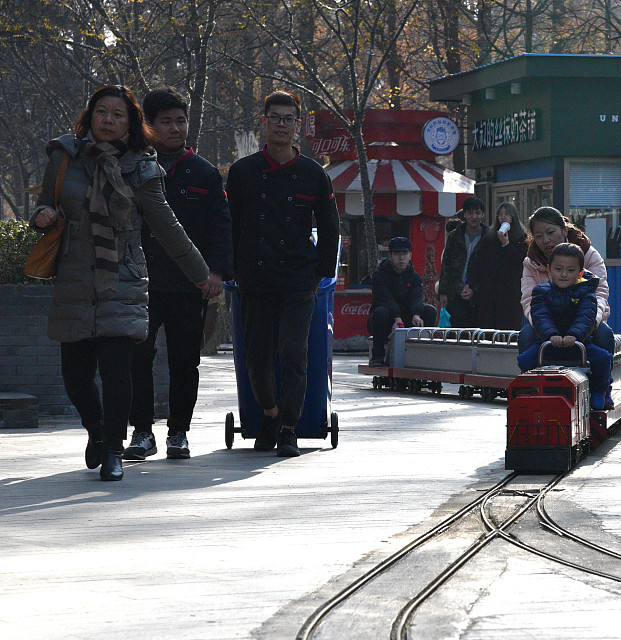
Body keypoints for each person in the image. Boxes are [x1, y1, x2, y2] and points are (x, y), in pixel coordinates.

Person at [29, 84, 211, 481]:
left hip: (122, 278)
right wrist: (42, 214)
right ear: (90, 116)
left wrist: (202, 275)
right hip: (74, 277)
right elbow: (45, 202)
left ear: (131, 122)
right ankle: (96, 430)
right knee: (76, 378)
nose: (108, 120)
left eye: (117, 114)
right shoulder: (66, 156)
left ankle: (114, 449)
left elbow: (167, 227)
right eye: (101, 112)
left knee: (117, 370)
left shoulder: (143, 167)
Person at [226, 90, 341, 458]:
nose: (281, 124)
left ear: (298, 125)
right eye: (274, 117)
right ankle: (270, 415)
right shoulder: (243, 173)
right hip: (255, 279)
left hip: (298, 280)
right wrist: (229, 270)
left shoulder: (312, 174)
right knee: (257, 358)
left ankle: (289, 428)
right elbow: (229, 225)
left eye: (288, 119)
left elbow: (330, 226)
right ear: (264, 122)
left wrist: (322, 273)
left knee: (294, 352)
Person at [123, 87, 233, 462]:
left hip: (190, 284)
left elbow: (221, 226)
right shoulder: (131, 166)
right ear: (148, 126)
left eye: (180, 121)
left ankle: (179, 433)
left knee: (185, 361)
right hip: (141, 282)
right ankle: (141, 432)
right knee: (139, 358)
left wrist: (216, 272)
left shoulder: (203, 173)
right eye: (166, 122)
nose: (175, 128)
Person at [516, 243, 612, 411]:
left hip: (579, 343)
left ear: (580, 273)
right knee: (524, 359)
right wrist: (550, 334)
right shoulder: (541, 292)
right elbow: (540, 315)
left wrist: (575, 335)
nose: (564, 275)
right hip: (548, 343)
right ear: (549, 270)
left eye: (570, 270)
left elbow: (586, 316)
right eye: (558, 269)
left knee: (603, 358)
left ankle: (599, 390)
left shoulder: (586, 292)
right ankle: (532, 388)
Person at [519, 206, 615, 356]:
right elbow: (528, 300)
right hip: (546, 323)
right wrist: (545, 328)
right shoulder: (531, 263)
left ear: (564, 230)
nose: (546, 240)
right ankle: (531, 378)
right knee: (526, 336)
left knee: (604, 335)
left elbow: (600, 295)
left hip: (587, 320)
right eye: (538, 236)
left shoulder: (589, 255)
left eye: (551, 232)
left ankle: (601, 378)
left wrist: (588, 325)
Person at [368, 236, 438, 365]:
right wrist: (397, 319)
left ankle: (424, 352)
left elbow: (417, 297)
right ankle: (377, 356)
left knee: (430, 311)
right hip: (387, 318)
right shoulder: (380, 275)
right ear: (390, 256)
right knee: (380, 312)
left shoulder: (414, 276)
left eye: (404, 254)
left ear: (410, 255)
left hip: (407, 316)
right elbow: (384, 299)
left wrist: (416, 314)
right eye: (397, 254)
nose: (401, 258)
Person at [466, 201, 529, 330]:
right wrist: (472, 283)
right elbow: (478, 261)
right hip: (490, 290)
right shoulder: (489, 237)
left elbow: (520, 261)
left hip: (511, 290)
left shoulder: (521, 237)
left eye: (506, 214)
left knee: (509, 325)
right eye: (500, 214)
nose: (503, 217)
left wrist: (506, 244)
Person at [438, 196, 486, 327]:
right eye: (470, 213)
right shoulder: (455, 235)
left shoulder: (488, 237)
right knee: (455, 338)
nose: (474, 217)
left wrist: (474, 290)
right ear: (464, 214)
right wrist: (443, 292)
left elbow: (489, 270)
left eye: (477, 213)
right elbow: (446, 264)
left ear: (483, 214)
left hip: (479, 299)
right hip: (455, 294)